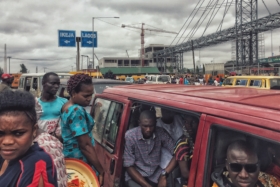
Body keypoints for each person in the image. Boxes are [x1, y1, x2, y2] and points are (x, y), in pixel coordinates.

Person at [0, 90, 57, 187]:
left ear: (34, 130)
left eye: (18, 133)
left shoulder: (37, 166)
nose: (7, 142)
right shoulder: (10, 156)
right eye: (0, 133)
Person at [61, 74, 104, 185]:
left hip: (70, 159)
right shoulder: (76, 110)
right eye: (86, 96)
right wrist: (101, 170)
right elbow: (85, 146)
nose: (89, 99)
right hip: (80, 162)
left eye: (91, 95)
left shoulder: (66, 106)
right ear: (74, 93)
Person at [123, 110, 177, 187]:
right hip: (136, 176)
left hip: (156, 174)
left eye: (151, 126)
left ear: (155, 123)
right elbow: (129, 166)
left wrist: (164, 174)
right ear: (139, 123)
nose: (148, 129)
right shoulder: (130, 136)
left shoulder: (160, 132)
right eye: (145, 126)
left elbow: (177, 152)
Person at [212, 140, 280, 187]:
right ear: (227, 165)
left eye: (251, 168)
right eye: (236, 167)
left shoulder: (270, 181)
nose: (243, 175)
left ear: (258, 166)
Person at [36, 72, 67, 137]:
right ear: (43, 83)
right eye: (52, 83)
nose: (56, 86)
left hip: (60, 142)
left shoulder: (64, 102)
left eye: (58, 84)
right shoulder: (36, 104)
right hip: (40, 143)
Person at [173, 116, 198, 187]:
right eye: (187, 122)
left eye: (193, 122)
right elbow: (185, 173)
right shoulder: (182, 144)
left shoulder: (199, 138)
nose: (189, 126)